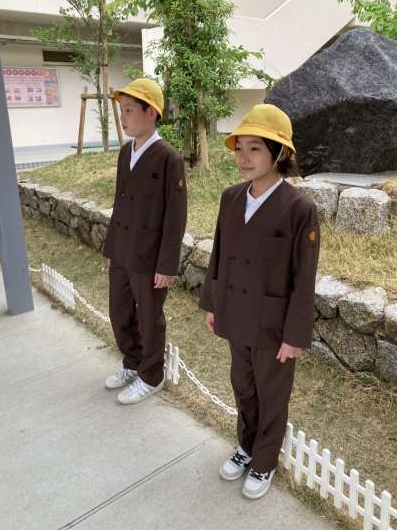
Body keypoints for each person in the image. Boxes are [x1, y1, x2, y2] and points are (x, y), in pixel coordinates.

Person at [199, 103, 320, 499]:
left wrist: (295, 336)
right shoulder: (230, 198)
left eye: (255, 148)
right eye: (239, 148)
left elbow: (304, 278)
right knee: (243, 386)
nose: (244, 158)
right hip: (236, 313)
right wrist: (212, 303)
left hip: (273, 324)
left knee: (272, 394)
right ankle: (246, 446)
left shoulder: (299, 209)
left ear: (279, 153)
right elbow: (219, 254)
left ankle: (265, 460)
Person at [103, 78, 187, 405]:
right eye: (121, 110)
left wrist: (167, 265)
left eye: (129, 110)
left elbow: (175, 216)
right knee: (119, 312)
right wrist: (111, 247)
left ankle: (152, 376)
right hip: (122, 250)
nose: (122, 117)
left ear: (151, 113)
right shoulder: (126, 152)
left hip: (150, 257)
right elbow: (119, 201)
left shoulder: (168, 157)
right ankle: (132, 363)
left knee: (149, 319)